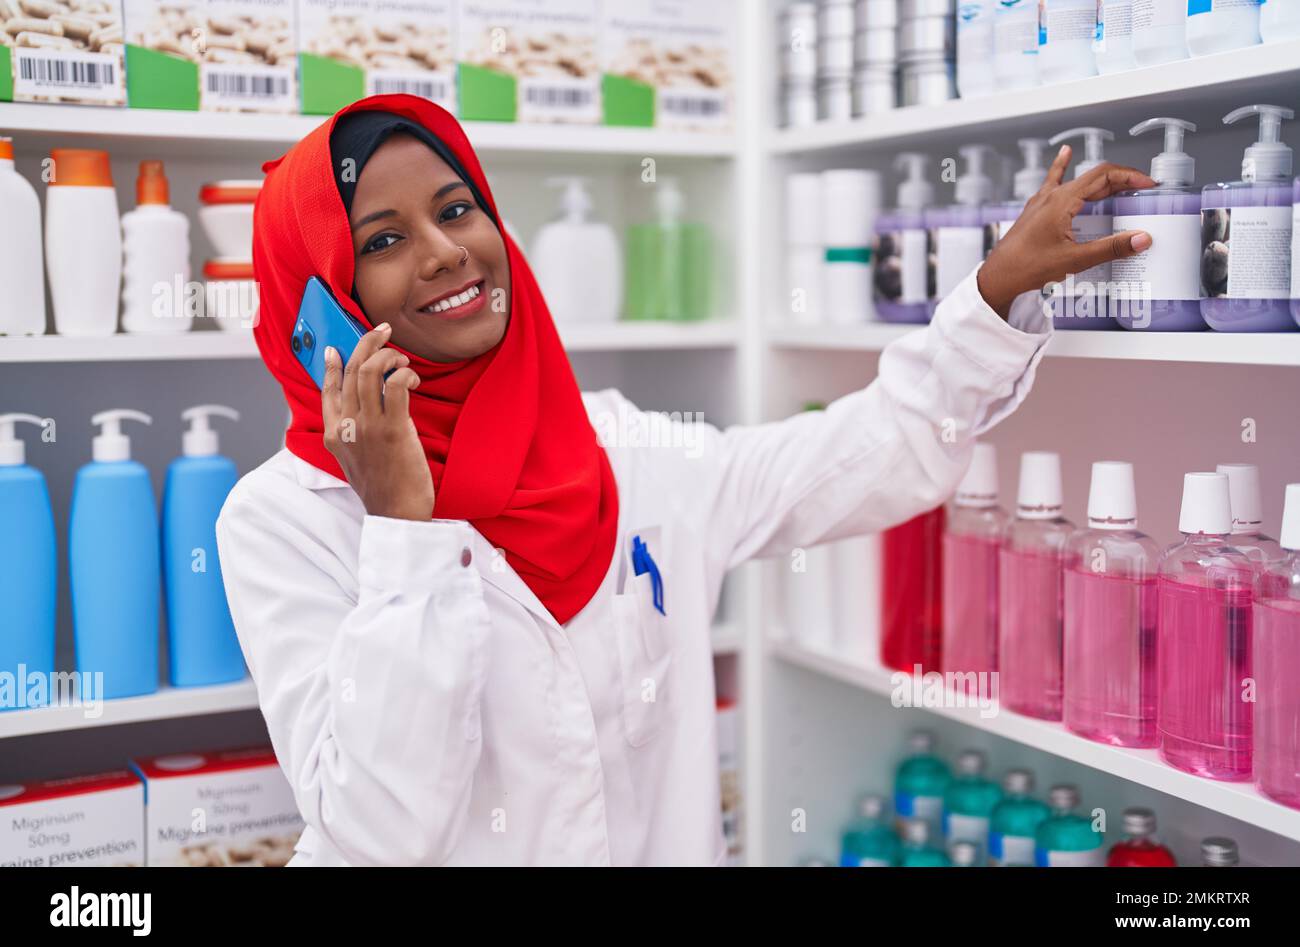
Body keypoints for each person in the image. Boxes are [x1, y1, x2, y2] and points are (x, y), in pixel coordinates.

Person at [215, 94, 1157, 866]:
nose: (446, 251)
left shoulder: (628, 448)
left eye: (457, 210)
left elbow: (867, 450)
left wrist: (991, 296)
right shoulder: (282, 523)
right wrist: (403, 529)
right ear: (320, 308)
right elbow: (380, 828)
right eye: (381, 241)